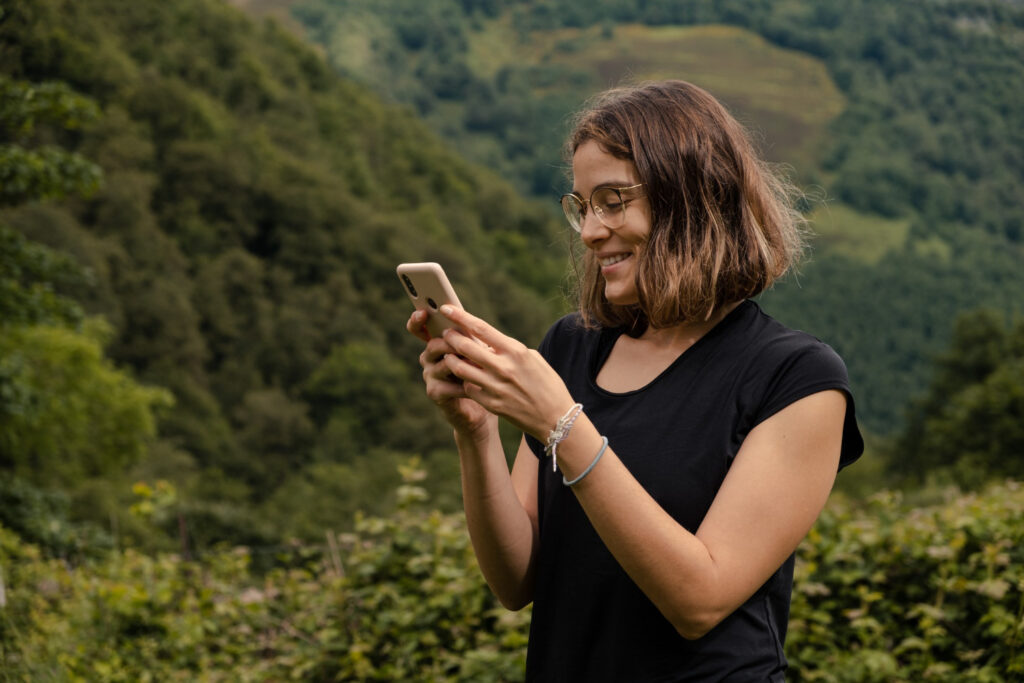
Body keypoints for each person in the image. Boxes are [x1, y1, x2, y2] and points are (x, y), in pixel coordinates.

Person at [406, 80, 862, 682]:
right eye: (582, 206)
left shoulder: (796, 379)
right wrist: (477, 431)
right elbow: (516, 580)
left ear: (690, 199)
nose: (592, 231)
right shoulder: (571, 348)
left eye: (613, 200)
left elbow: (700, 599)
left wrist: (562, 426)